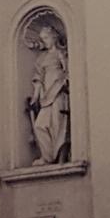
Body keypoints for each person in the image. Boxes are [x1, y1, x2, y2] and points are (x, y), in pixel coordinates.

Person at [28, 24, 69, 164]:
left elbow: (67, 72)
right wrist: (35, 96)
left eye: (46, 37)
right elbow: (38, 78)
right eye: (42, 38)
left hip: (58, 91)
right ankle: (48, 156)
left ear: (54, 37)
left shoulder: (61, 53)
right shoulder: (42, 58)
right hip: (46, 94)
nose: (44, 40)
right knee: (40, 125)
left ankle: (60, 157)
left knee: (58, 124)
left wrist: (62, 83)